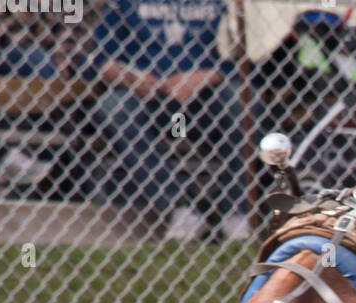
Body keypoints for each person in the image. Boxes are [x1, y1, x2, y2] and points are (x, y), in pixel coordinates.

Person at [93, 0, 254, 241]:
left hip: (206, 97)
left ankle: (237, 211)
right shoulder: (123, 4)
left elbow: (246, 57)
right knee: (112, 106)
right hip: (149, 97)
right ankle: (179, 207)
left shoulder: (224, 4)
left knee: (241, 100)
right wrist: (130, 78)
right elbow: (103, 60)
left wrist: (206, 76)